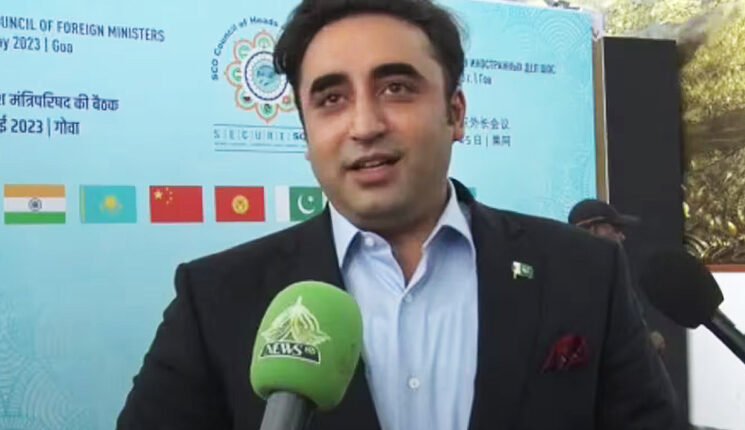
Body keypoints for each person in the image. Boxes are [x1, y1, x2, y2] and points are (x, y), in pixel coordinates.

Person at [118, 1, 678, 429]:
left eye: (396, 87)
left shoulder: (584, 272)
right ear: (306, 134)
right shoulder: (216, 298)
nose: (365, 125)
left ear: (456, 113)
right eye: (331, 99)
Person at [568, 198, 668, 357]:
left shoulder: (607, 281)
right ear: (593, 231)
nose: (622, 237)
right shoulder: (577, 288)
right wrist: (646, 346)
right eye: (615, 229)